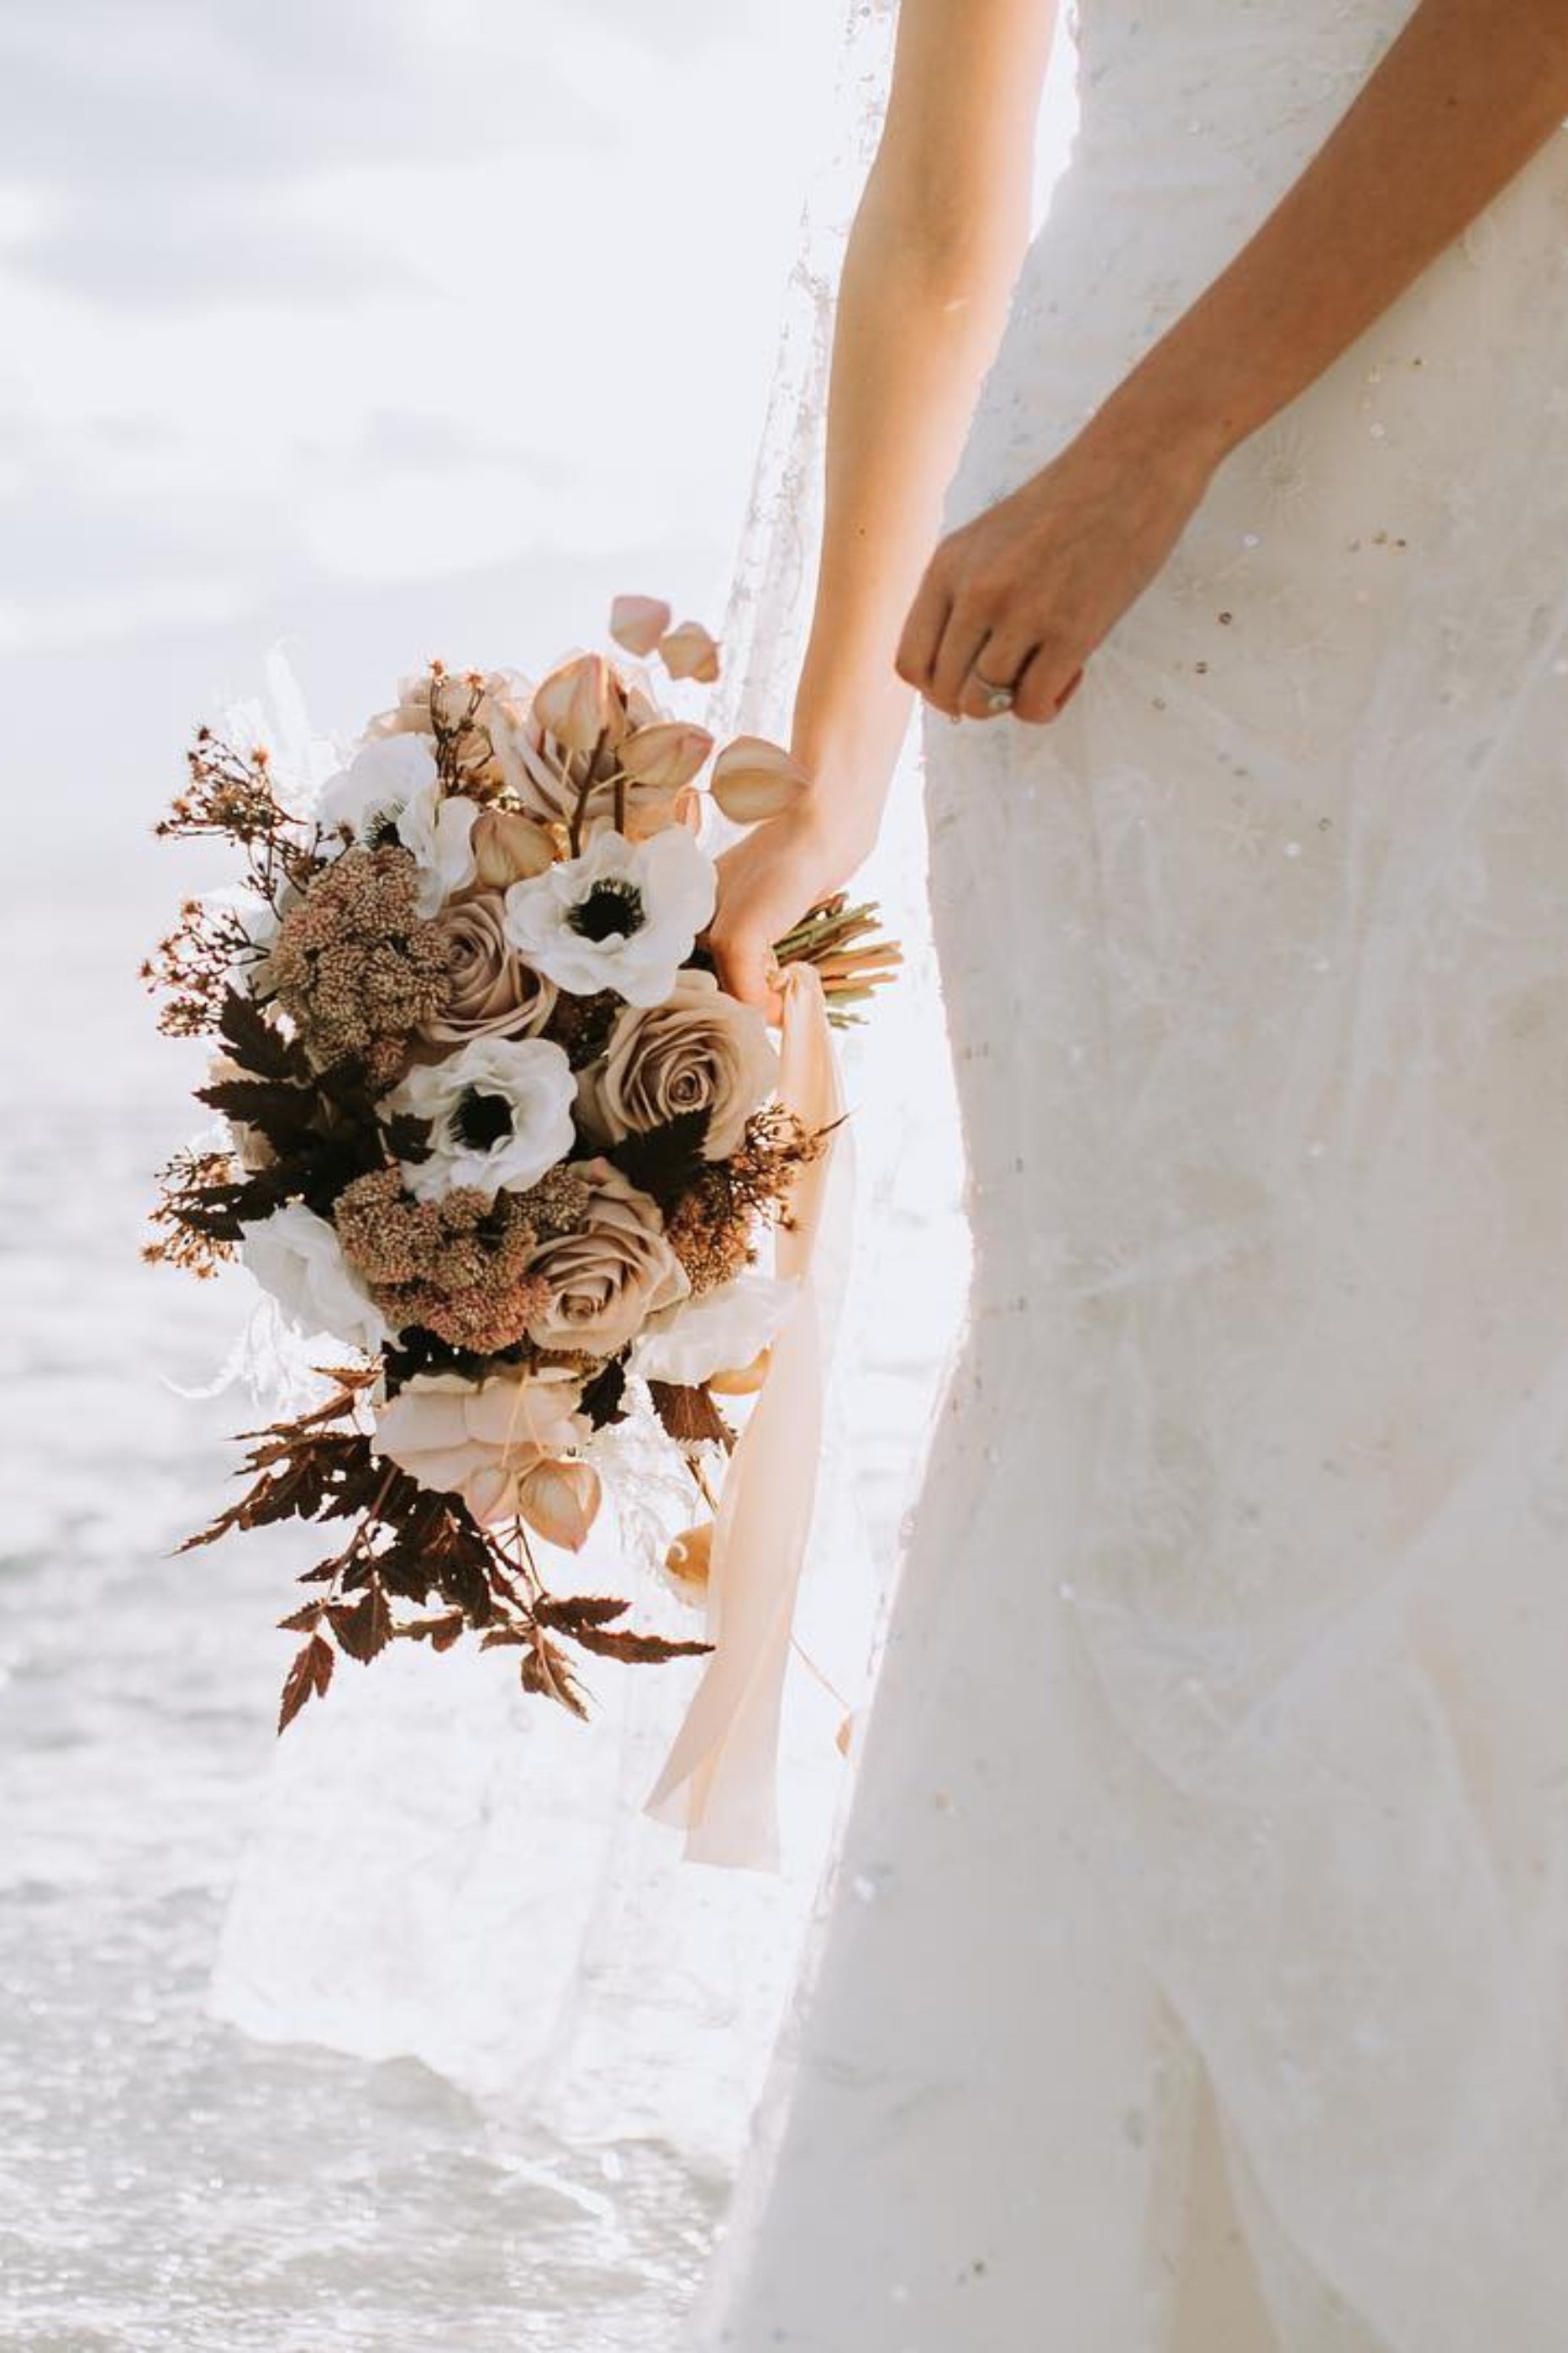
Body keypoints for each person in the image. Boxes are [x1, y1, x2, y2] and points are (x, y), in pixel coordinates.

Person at [693, 0, 1568, 2345]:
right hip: (1104, 602)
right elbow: (937, 207)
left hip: (1468, 470)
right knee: (1163, 1442)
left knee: (1485, 1377)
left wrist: (1159, 441)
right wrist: (826, 760)